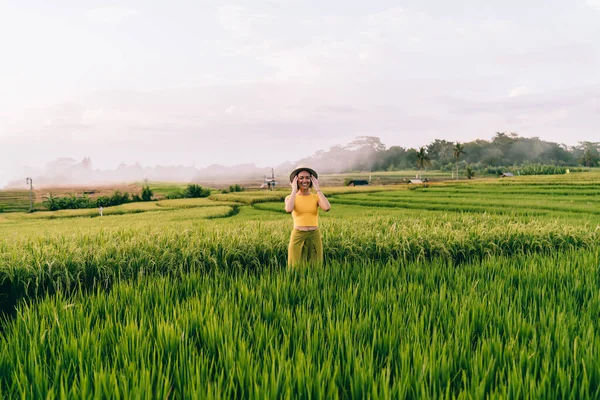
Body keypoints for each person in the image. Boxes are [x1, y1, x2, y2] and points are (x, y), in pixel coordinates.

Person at [284, 165, 331, 267]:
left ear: (311, 180)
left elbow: (327, 207)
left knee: (316, 265)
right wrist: (294, 190)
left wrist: (318, 189)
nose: (304, 180)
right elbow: (288, 209)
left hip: (314, 234)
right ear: (296, 180)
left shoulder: (315, 197)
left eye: (307, 177)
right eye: (301, 178)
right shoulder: (290, 197)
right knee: (294, 266)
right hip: (298, 235)